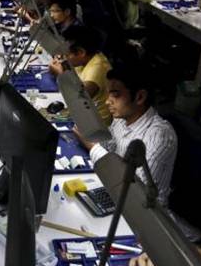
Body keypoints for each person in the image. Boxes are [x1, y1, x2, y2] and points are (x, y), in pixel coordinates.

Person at [76, 64, 177, 205]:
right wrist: (91, 132)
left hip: (143, 209)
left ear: (140, 97)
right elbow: (110, 145)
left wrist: (92, 147)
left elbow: (135, 189)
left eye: (116, 95)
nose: (107, 101)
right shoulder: (122, 118)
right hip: (115, 190)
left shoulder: (160, 136)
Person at [49, 25, 112, 126]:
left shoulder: (97, 69)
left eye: (67, 54)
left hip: (94, 125)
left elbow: (78, 99)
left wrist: (60, 75)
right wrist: (63, 65)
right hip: (83, 115)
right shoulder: (85, 59)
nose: (64, 56)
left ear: (81, 52)